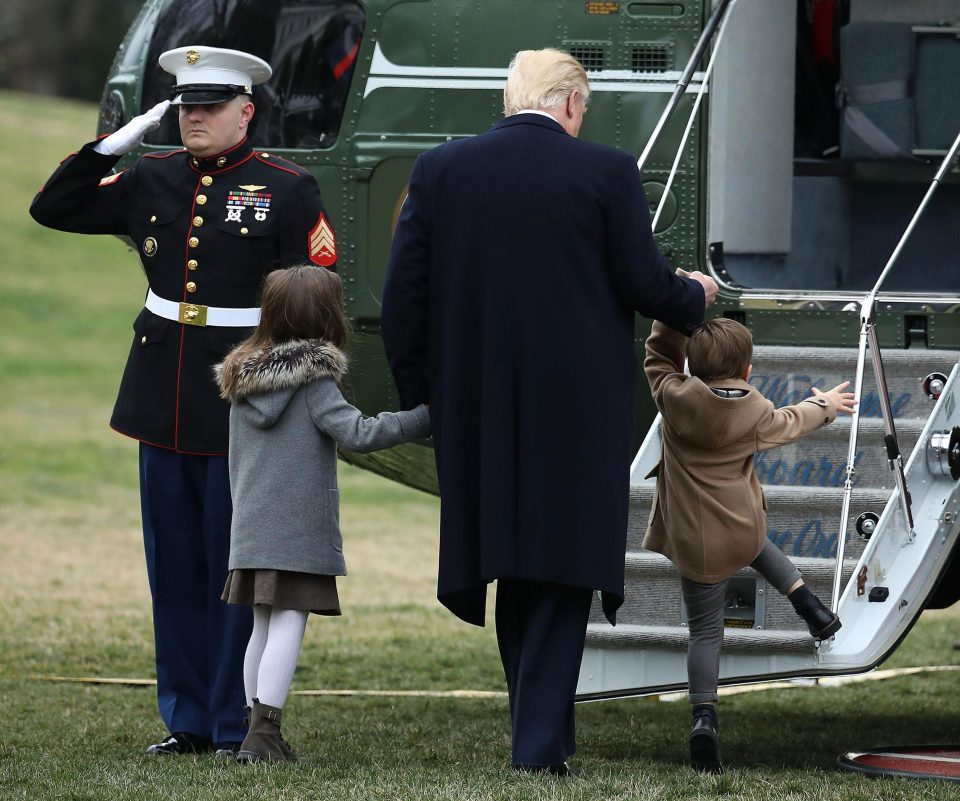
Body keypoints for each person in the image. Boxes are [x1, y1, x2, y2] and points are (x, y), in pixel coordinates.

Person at [380, 48, 718, 775]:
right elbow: (642, 280)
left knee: (510, 560)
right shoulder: (606, 172)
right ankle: (537, 747)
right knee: (562, 569)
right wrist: (695, 295)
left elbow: (401, 297)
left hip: (477, 405)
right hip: (576, 409)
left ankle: (542, 731)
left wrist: (422, 394)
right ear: (569, 103)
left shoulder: (441, 170)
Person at [29, 46, 337, 757]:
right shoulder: (154, 176)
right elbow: (53, 207)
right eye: (185, 107)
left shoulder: (287, 187)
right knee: (173, 566)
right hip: (160, 392)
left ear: (245, 110)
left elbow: (314, 302)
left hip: (244, 404)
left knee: (233, 568)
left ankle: (236, 722)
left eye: (209, 107)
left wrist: (288, 393)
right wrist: (115, 142)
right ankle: (188, 717)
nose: (194, 119)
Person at [215, 265, 430, 763]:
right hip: (297, 533)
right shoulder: (313, 384)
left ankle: (252, 731)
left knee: (262, 627)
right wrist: (424, 416)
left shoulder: (243, 383)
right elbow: (360, 434)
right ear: (329, 318)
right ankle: (264, 738)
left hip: (250, 526)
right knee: (288, 623)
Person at [642, 317, 855, 774]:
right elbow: (792, 422)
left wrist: (674, 312)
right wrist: (826, 404)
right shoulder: (756, 411)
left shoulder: (674, 397)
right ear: (747, 371)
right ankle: (810, 605)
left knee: (705, 633)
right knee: (757, 544)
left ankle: (704, 717)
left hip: (696, 543)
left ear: (692, 367)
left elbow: (659, 359)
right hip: (742, 526)